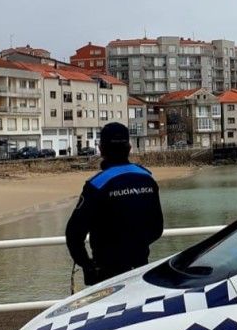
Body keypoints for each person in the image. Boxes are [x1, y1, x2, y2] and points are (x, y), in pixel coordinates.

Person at [65, 122, 164, 286]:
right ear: (129, 147)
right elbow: (157, 228)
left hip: (106, 272)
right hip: (140, 269)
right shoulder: (147, 179)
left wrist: (87, 265)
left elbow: (74, 235)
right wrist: (136, 245)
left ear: (101, 148)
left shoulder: (97, 185)